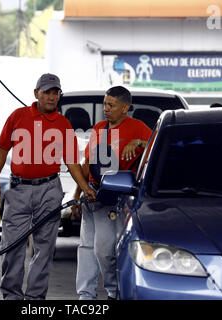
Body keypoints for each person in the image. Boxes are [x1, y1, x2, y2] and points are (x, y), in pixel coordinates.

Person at [0, 73, 96, 300]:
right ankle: (11, 296)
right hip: (19, 190)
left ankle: (35, 300)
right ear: (36, 93)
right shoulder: (18, 116)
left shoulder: (64, 124)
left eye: (55, 92)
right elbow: (2, 148)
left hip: (49, 189)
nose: (51, 96)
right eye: (46, 92)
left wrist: (84, 187)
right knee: (12, 246)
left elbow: (71, 161)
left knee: (44, 248)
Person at [73, 86, 152, 300]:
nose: (105, 109)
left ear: (125, 108)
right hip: (91, 196)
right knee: (86, 248)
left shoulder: (139, 128)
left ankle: (113, 291)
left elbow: (155, 149)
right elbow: (88, 162)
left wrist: (138, 143)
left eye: (111, 105)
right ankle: (85, 296)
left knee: (105, 250)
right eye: (105, 104)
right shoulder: (99, 128)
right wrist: (77, 193)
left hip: (116, 199)